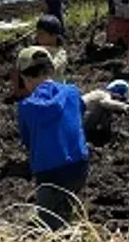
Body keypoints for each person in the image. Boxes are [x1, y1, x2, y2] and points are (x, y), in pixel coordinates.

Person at [16, 45, 91, 230]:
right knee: (67, 203)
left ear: (25, 78)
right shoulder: (72, 92)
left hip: (50, 172)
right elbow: (77, 117)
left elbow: (27, 140)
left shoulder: (27, 107)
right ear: (51, 69)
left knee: (49, 226)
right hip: (79, 166)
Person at [10, 15, 70, 100]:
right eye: (37, 33)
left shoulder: (60, 53)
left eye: (41, 34)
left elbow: (50, 68)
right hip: (33, 89)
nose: (37, 36)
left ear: (54, 36)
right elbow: (16, 69)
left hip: (54, 91)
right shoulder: (33, 50)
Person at [82, 78, 129, 145]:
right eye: (121, 99)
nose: (119, 100)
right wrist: (125, 107)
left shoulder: (104, 108)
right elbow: (106, 103)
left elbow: (105, 124)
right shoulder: (102, 94)